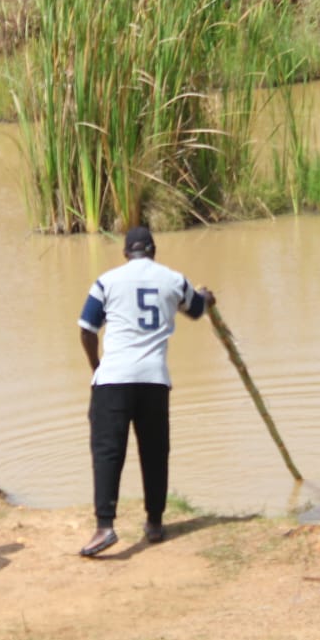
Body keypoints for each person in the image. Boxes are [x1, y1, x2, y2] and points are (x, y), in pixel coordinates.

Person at [76, 225, 215, 557]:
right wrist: (207, 298)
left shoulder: (107, 281)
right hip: (154, 379)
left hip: (114, 378)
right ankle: (154, 523)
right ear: (153, 250)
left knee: (108, 451)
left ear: (126, 253)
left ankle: (105, 528)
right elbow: (197, 309)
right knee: (154, 452)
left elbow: (86, 328)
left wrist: (96, 365)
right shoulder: (173, 280)